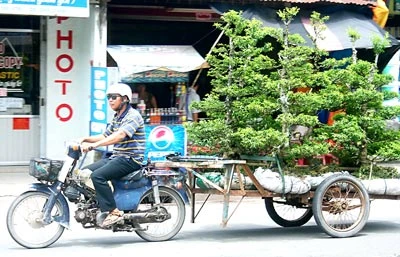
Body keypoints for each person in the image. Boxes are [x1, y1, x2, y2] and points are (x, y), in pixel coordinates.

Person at [79, 83, 145, 227]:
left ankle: (113, 212)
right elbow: (105, 135)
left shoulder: (133, 116)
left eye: (114, 97)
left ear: (125, 99)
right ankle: (97, 206)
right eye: (108, 97)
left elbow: (120, 135)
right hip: (117, 157)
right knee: (84, 173)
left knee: (98, 176)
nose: (110, 100)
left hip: (131, 159)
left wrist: (94, 146)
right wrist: (84, 139)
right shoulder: (117, 117)